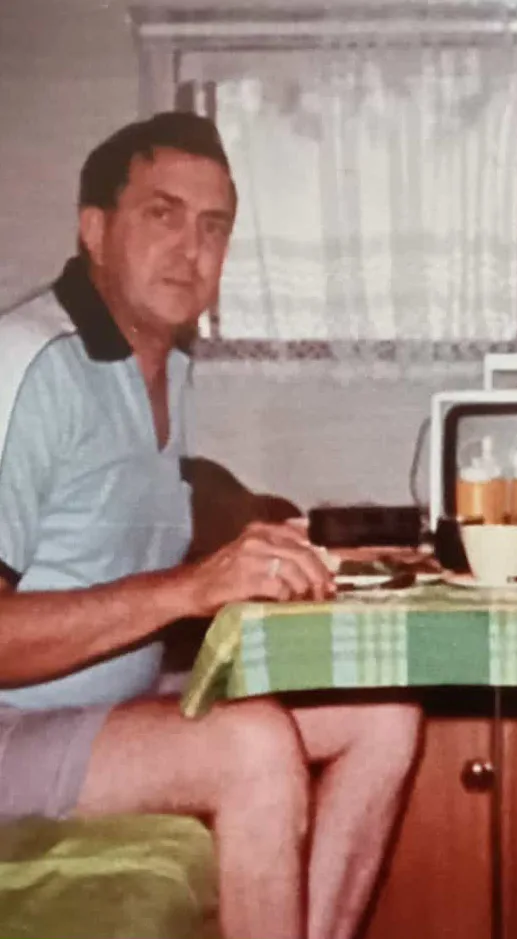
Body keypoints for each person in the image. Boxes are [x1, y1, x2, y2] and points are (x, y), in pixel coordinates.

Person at [0, 112, 422, 939]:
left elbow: (125, 515)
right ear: (94, 230)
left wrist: (284, 534)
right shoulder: (27, 363)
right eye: (162, 214)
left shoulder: (161, 361)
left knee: (383, 709)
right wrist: (193, 587)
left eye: (213, 226)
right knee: (252, 746)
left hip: (95, 710)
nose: (190, 248)